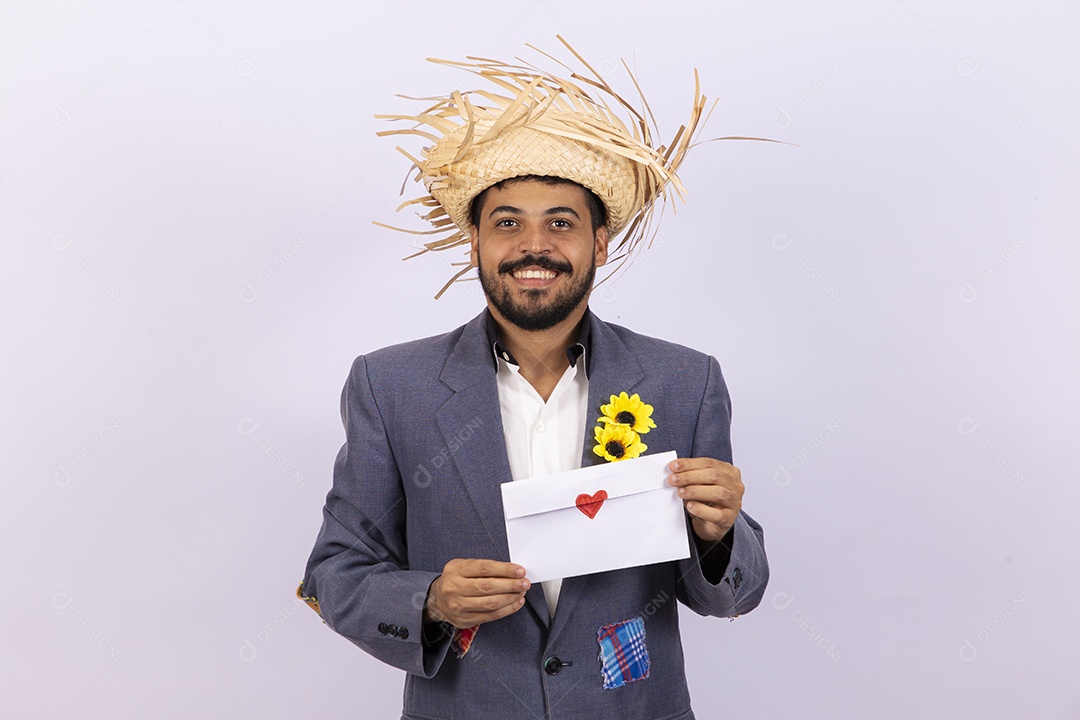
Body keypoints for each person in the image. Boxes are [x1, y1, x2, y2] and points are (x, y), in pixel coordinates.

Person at [298, 40, 769, 720]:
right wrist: (428, 600)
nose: (533, 246)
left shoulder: (685, 381)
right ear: (477, 242)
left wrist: (721, 534)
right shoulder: (389, 385)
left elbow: (734, 594)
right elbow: (333, 574)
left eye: (561, 223)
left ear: (599, 242)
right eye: (508, 223)